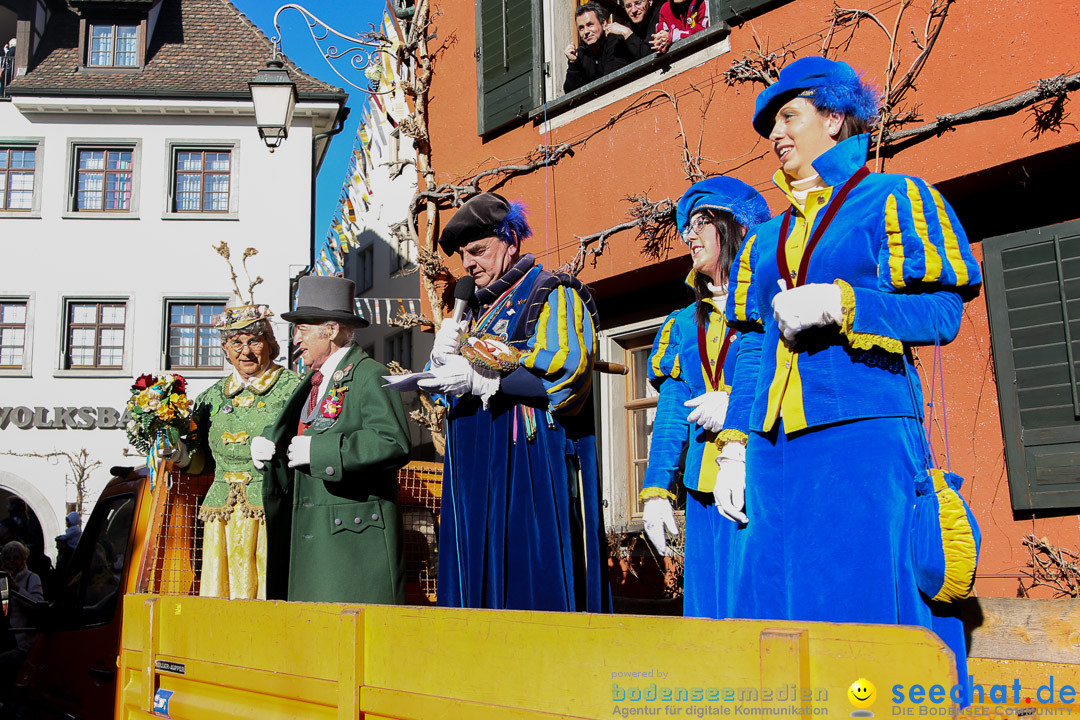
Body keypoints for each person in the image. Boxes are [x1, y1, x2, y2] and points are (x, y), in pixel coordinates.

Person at [717, 57, 981, 692]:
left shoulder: (894, 197)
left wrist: (846, 304)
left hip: (863, 430)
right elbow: (752, 346)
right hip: (776, 446)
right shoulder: (764, 237)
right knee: (778, 602)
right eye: (770, 126)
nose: (775, 134)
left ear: (834, 117)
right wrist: (734, 449)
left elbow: (945, 310)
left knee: (865, 596)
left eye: (789, 116)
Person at [418, 192, 610, 613]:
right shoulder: (475, 312)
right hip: (472, 472)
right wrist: (440, 361)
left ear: (511, 241)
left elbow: (567, 376)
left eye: (479, 251)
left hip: (526, 467)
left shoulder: (550, 293)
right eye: (463, 257)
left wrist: (484, 380)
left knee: (526, 586)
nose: (469, 265)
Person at [640, 177, 771, 619]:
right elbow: (674, 411)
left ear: (733, 228)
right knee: (709, 610)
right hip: (702, 491)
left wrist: (732, 403)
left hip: (761, 479)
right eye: (686, 228)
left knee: (755, 605)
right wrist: (657, 491)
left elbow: (785, 376)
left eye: (701, 223)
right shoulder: (680, 324)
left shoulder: (771, 303)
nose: (689, 236)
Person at [252, 276, 410, 604]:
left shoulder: (370, 374)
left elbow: (393, 442)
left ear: (332, 330)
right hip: (313, 536)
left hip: (350, 543)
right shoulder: (313, 379)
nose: (295, 338)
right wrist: (269, 444)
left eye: (303, 328)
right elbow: (302, 433)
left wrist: (322, 450)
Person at [176, 298, 301, 600]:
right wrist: (179, 455)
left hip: (274, 511)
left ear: (270, 344)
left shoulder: (295, 388)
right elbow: (202, 463)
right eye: (236, 342)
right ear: (225, 350)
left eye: (254, 341)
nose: (245, 351)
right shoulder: (209, 397)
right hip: (223, 516)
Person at [0, 541, 44, 704]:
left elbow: (37, 606)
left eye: (15, 558)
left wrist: (16, 587)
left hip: (21, 638)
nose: (11, 562)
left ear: (23, 560)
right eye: (7, 558)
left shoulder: (31, 578)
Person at [563, 2, 635, 93]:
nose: (586, 32)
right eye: (581, 28)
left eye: (590, 25)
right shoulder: (581, 53)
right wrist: (573, 63)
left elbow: (611, 81)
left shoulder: (616, 42)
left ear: (604, 23)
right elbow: (569, 92)